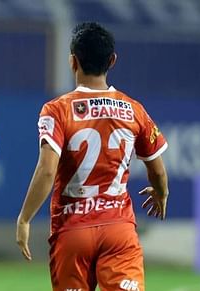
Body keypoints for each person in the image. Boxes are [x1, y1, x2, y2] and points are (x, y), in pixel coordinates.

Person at [16, 22, 169, 291]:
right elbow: (156, 169)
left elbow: (47, 170)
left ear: (72, 61)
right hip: (118, 229)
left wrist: (25, 218)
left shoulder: (56, 109)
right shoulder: (134, 109)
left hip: (72, 228)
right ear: (112, 60)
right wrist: (161, 193)